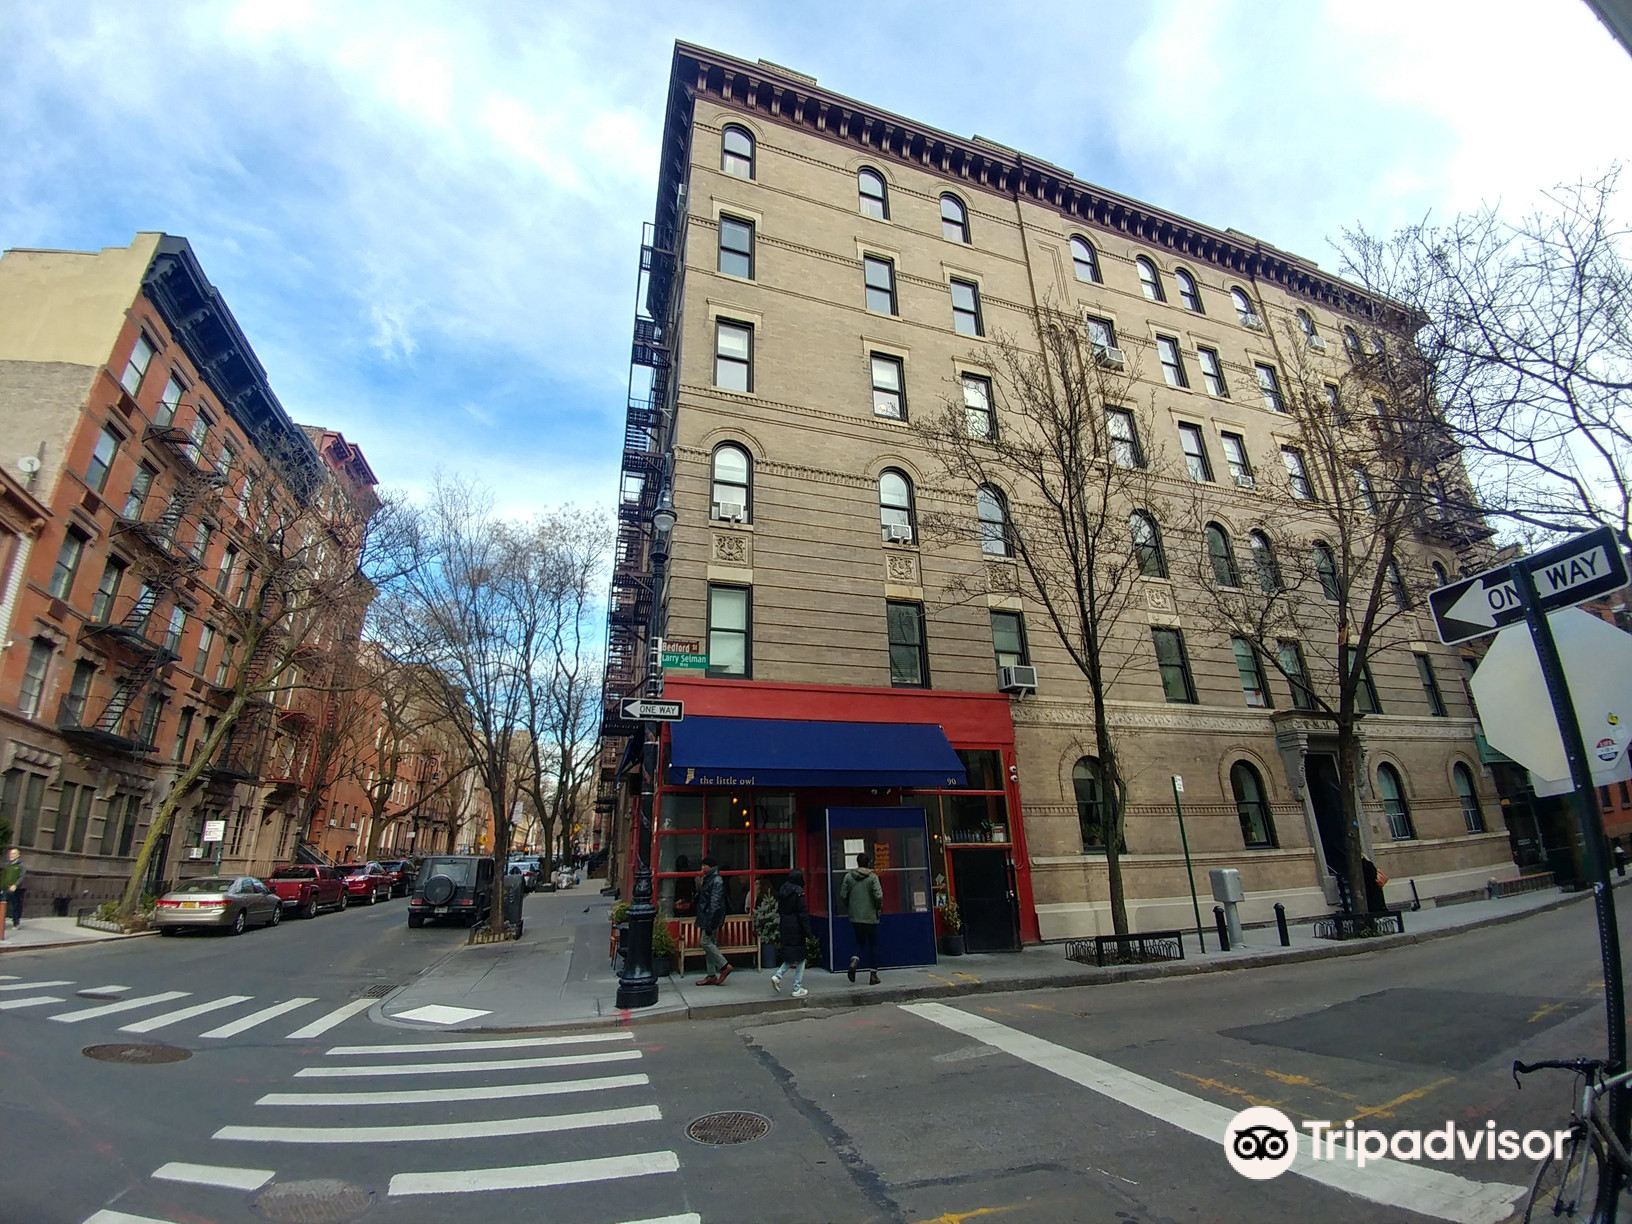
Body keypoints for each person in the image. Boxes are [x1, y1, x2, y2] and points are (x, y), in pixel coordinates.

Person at [839, 850, 884, 984]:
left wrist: (850, 906)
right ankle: (873, 975)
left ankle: (854, 960)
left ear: (857, 863)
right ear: (868, 863)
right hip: (871, 916)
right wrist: (878, 906)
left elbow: (843, 895)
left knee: (859, 941)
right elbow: (879, 895)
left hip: (855, 916)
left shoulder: (848, 877)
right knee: (873, 944)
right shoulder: (873, 877)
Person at [770, 868, 811, 999]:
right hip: (796, 927)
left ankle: (778, 976)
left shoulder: (783, 891)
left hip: (785, 925)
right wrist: (809, 932)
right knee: (801, 957)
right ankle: (796, 987)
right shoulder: (799, 893)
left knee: (791, 955)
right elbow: (803, 914)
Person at [694, 855, 731, 986]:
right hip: (708, 916)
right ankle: (711, 975)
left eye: (704, 865)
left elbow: (714, 903)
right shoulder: (709, 879)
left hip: (710, 918)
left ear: (710, 866)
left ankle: (724, 965)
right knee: (711, 945)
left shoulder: (716, 880)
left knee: (705, 942)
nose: (702, 868)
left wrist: (710, 922)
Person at [2, 848, 24, 928]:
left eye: (14, 854)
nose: (11, 855)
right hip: (5, 888)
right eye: (11, 854)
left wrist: (15, 885)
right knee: (2, 905)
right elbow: (3, 876)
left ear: (18, 855)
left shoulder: (21, 866)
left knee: (15, 906)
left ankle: (16, 923)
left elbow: (21, 877)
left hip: (15, 889)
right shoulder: (7, 865)